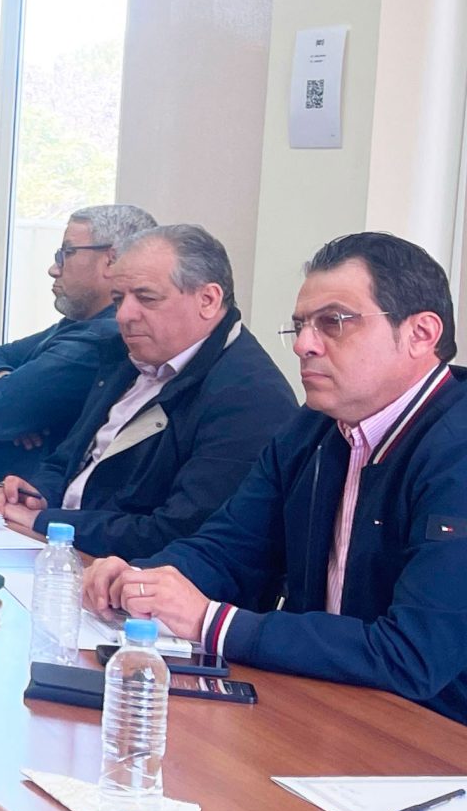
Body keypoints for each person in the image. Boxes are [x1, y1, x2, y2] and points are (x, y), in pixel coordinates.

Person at [85, 232, 467, 722]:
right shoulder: (312, 428)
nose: (304, 345)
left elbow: (412, 655)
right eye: (301, 326)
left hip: (431, 735)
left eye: (334, 322)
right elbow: (230, 548)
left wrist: (210, 622)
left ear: (421, 333)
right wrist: (144, 579)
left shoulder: (455, 450)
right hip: (325, 700)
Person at [0, 224, 293, 557]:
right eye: (119, 299)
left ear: (208, 300)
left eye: (146, 298)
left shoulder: (249, 399)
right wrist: (33, 495)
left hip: (129, 571)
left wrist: (44, 520)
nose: (124, 315)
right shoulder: (124, 354)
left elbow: (180, 532)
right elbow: (66, 461)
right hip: (61, 547)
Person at [0, 204, 156, 485]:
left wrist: (8, 400)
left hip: (17, 498)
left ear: (111, 260)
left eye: (67, 253)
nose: (53, 269)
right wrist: (4, 382)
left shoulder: (100, 338)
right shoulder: (77, 323)